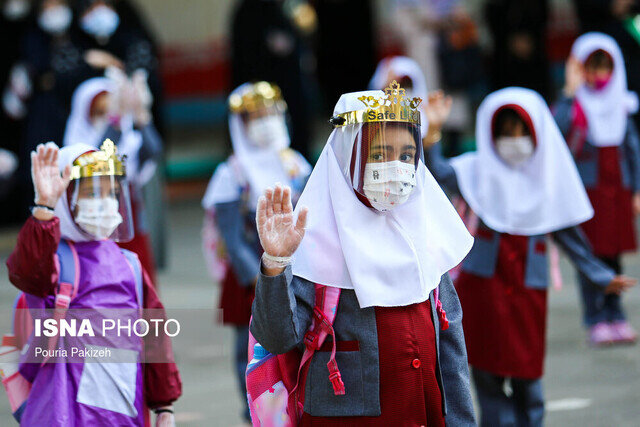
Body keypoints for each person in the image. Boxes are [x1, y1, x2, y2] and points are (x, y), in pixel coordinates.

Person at [250, 81, 476, 425]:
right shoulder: (314, 242)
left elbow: (451, 354)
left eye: (406, 156)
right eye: (379, 154)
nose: (396, 167)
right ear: (348, 157)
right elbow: (278, 338)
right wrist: (276, 263)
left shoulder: (427, 239)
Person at [425, 86, 636, 426]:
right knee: (487, 372)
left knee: (528, 372)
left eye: (523, 131)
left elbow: (573, 240)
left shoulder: (547, 181)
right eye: (506, 131)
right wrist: (431, 132)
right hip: (483, 289)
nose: (515, 139)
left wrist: (602, 277)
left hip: (528, 291)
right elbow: (435, 175)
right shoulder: (475, 171)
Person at [6, 140, 181, 426]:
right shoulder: (53, 259)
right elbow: (26, 271)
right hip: (65, 408)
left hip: (125, 407)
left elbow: (154, 336)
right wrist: (44, 209)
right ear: (67, 198)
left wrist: (164, 405)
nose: (104, 202)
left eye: (111, 193)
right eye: (91, 193)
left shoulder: (129, 264)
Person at [201, 81, 310, 423]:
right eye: (256, 117)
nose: (266, 122)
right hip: (250, 273)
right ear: (241, 125)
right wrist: (258, 278)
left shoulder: (296, 165)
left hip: (298, 266)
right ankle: (254, 408)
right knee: (248, 348)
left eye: (270, 114)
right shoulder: (230, 173)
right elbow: (231, 237)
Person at [554, 32, 640, 345]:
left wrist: (637, 190)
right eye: (590, 67)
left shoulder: (623, 106)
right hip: (586, 194)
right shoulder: (574, 105)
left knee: (613, 255)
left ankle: (616, 315)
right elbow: (556, 132)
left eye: (605, 68)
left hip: (616, 191)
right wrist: (569, 91)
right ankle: (596, 318)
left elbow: (633, 151)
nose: (598, 76)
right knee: (589, 256)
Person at [63, 73, 162, 284]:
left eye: (109, 110)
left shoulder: (129, 139)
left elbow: (154, 150)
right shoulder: (75, 146)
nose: (104, 116)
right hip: (94, 224)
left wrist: (140, 113)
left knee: (139, 282)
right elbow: (101, 157)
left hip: (130, 222)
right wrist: (115, 121)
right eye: (99, 112)